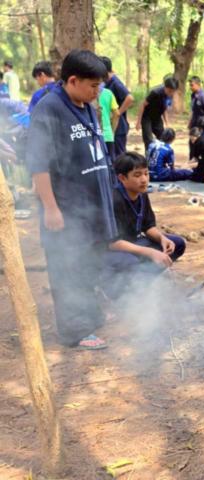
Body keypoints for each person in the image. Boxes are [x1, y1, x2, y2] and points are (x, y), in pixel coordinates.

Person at [26, 50, 117, 350]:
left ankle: (90, 315)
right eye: (93, 86)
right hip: (66, 207)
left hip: (91, 204)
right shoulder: (49, 110)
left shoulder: (87, 105)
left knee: (88, 263)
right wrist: (51, 208)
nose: (97, 92)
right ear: (73, 80)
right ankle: (75, 330)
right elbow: (38, 164)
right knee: (68, 267)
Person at [103, 152, 186, 295]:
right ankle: (116, 292)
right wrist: (150, 252)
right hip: (112, 249)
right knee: (131, 262)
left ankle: (144, 282)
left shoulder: (141, 194)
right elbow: (113, 242)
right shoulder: (114, 199)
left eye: (146, 174)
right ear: (122, 178)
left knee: (177, 244)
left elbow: (148, 226)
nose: (144, 179)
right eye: (137, 175)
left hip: (135, 242)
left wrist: (162, 238)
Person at [102, 56, 134, 156]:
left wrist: (118, 112)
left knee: (120, 156)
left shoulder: (115, 82)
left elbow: (129, 98)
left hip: (119, 126)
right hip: (111, 125)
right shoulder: (107, 83)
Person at [136, 77, 178, 151]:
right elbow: (143, 105)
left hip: (157, 117)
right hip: (147, 117)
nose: (171, 93)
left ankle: (162, 154)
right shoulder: (155, 93)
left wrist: (167, 123)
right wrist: (138, 122)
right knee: (148, 139)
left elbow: (164, 108)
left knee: (163, 137)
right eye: (169, 91)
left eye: (173, 91)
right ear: (165, 87)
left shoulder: (170, 95)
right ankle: (149, 156)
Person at [98, 78, 120, 159]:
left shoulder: (86, 94)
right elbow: (117, 114)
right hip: (107, 134)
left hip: (93, 135)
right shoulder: (108, 93)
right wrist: (112, 131)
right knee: (110, 161)